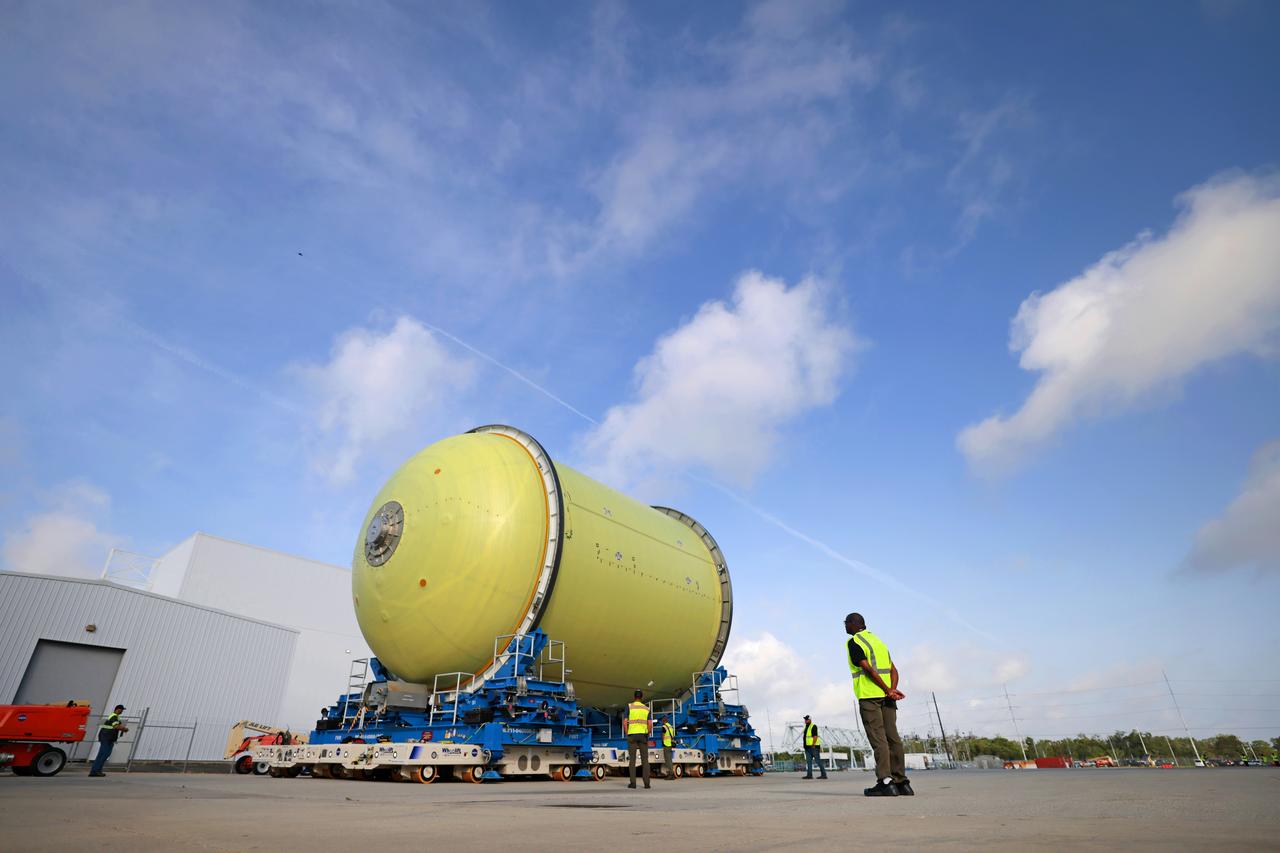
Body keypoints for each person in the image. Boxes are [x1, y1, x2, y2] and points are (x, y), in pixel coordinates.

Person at [845, 612, 912, 796]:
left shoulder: (854, 642)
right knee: (893, 738)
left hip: (870, 697)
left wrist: (886, 689)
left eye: (846, 623)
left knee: (879, 739)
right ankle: (902, 782)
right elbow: (893, 669)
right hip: (887, 697)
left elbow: (866, 668)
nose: (844, 626)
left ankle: (885, 781)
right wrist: (892, 689)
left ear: (853, 624)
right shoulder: (878, 642)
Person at [88, 704, 128, 777]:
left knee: (104, 754)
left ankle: (96, 771)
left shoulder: (116, 717)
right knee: (104, 754)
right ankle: (95, 771)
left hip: (108, 737)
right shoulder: (114, 716)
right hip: (106, 737)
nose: (122, 711)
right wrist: (124, 729)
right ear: (118, 709)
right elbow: (115, 726)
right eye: (122, 709)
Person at [626, 690, 652, 789]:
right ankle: (647, 784)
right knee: (645, 760)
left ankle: (633, 783)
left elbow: (625, 722)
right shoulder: (646, 708)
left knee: (632, 760)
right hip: (643, 735)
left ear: (634, 697)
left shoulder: (629, 707)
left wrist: (627, 732)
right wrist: (647, 734)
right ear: (642, 697)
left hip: (632, 734)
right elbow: (650, 724)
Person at [802, 715, 828, 779]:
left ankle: (824, 775)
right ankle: (809, 775)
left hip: (813, 747)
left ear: (810, 720)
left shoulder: (813, 726)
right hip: (807, 747)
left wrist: (813, 744)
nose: (805, 720)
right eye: (805, 719)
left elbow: (815, 736)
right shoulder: (806, 727)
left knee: (818, 761)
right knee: (809, 762)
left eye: (806, 719)